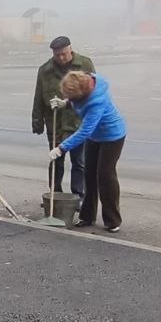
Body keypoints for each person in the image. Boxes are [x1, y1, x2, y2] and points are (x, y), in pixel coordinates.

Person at [51, 70, 127, 233]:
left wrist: (61, 148)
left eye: (71, 96)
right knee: (89, 174)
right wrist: (65, 103)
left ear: (81, 94)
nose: (70, 98)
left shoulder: (96, 102)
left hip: (112, 136)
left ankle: (113, 220)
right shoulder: (86, 80)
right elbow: (77, 99)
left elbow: (84, 131)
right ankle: (87, 216)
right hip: (96, 136)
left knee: (105, 176)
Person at [32, 36, 95, 198]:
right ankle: (55, 195)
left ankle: (78, 196)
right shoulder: (45, 70)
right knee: (56, 161)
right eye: (57, 54)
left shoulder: (85, 64)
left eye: (64, 54)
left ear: (70, 50)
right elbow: (38, 96)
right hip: (54, 123)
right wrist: (37, 120)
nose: (60, 57)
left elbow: (92, 92)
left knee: (78, 162)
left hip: (77, 122)